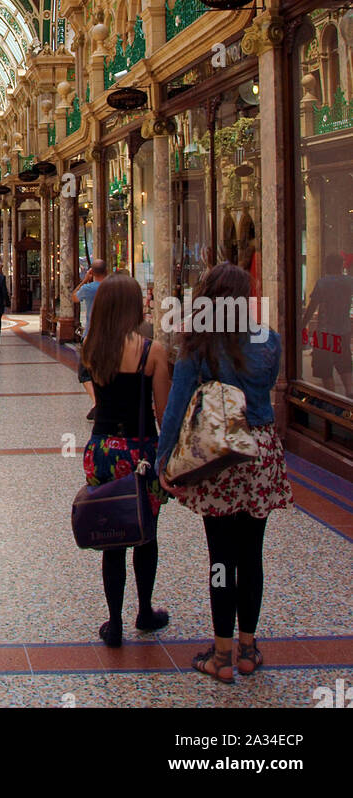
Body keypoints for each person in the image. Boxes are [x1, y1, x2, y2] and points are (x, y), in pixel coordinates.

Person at [157, 262, 293, 683]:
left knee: (221, 558)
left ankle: (220, 654)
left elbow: (178, 407)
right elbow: (265, 390)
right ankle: (249, 648)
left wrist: (165, 463)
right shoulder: (270, 340)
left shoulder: (197, 345)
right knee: (253, 554)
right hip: (260, 452)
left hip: (218, 455)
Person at [82, 273, 172, 648]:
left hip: (102, 449)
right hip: (139, 451)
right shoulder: (153, 351)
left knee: (111, 533)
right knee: (144, 532)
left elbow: (97, 401)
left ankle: (114, 622)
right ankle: (145, 610)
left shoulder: (90, 348)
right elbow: (164, 413)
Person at [301, 253, 353, 398]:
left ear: (328, 265)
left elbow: (312, 307)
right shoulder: (349, 281)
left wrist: (302, 325)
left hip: (325, 332)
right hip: (343, 330)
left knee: (325, 367)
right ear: (341, 265)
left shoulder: (323, 283)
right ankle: (349, 392)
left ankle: (333, 399)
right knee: (345, 364)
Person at [72, 259, 108, 422]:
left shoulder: (88, 288)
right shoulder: (112, 288)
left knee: (84, 371)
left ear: (92, 272)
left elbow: (74, 298)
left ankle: (97, 402)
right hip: (111, 335)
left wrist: (85, 280)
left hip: (91, 336)